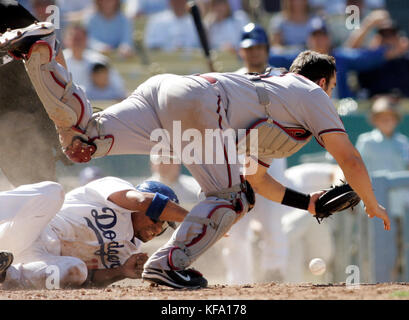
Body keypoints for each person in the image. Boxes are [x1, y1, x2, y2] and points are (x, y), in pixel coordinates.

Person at [0, 23, 391, 290]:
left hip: (166, 94)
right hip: (198, 106)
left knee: (84, 142)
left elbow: (256, 178)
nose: (330, 93)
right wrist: (372, 204)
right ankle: (167, 266)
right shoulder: (310, 92)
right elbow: (351, 162)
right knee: (230, 198)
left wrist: (306, 202)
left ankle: (43, 52)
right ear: (323, 81)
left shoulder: (277, 98)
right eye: (331, 86)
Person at [0, 177, 188, 289]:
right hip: (30, 232)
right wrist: (194, 218)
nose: (157, 229)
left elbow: (90, 279)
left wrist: (121, 271)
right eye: (156, 219)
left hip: (38, 260)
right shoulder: (116, 187)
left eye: (164, 225)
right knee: (53, 191)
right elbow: (140, 200)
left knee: (77, 272)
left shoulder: (131, 252)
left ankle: (6, 276)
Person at [220, 23, 290, 284]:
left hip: (272, 156)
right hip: (238, 159)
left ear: (267, 49)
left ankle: (275, 278)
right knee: (236, 227)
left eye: (258, 47)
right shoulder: (230, 80)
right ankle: (239, 283)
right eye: (249, 48)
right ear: (241, 51)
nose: (253, 53)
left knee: (273, 223)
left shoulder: (281, 78)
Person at [0, 0, 71, 187]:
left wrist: (65, 96)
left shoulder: (7, 9)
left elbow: (48, 45)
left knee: (38, 189)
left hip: (25, 117)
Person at [268, 19, 406, 98]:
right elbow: (273, 57)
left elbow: (365, 58)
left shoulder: (340, 57)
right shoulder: (298, 57)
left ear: (329, 38)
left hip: (338, 110)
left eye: (322, 35)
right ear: (308, 39)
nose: (319, 40)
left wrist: (389, 51)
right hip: (307, 110)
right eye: (315, 36)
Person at [62, 23, 125, 94]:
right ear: (65, 40)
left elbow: (119, 88)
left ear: (86, 39)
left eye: (80, 38)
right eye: (74, 38)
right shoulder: (57, 61)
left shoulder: (100, 60)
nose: (77, 42)